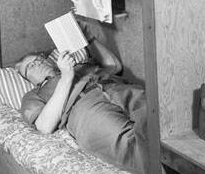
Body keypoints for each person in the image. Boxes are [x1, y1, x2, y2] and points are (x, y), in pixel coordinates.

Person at [15, 28, 147, 173]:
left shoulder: (78, 65)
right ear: (28, 79)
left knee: (162, 124)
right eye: (30, 66)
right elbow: (44, 126)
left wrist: (88, 35)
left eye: (39, 59)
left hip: (117, 88)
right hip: (84, 109)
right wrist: (66, 76)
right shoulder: (33, 95)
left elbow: (114, 66)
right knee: (132, 148)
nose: (38, 63)